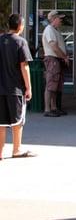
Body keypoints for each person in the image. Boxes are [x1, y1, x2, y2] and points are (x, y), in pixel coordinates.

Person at [0, 13, 36, 159]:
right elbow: (24, 66)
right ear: (20, 26)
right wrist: (29, 87)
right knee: (17, 120)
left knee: (1, 122)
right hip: (15, 88)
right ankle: (17, 149)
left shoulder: (0, 40)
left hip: (0, 87)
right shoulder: (20, 42)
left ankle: (0, 151)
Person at [42, 10, 69, 117]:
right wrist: (64, 56)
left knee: (56, 85)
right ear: (53, 19)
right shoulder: (49, 30)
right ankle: (47, 109)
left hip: (57, 59)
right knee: (51, 84)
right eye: (59, 18)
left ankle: (54, 107)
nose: (61, 20)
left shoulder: (55, 30)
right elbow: (53, 46)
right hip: (52, 59)